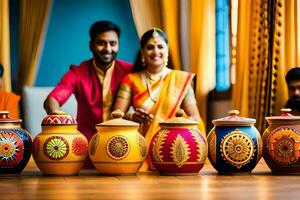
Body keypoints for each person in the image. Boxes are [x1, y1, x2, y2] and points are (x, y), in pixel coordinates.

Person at [113, 28, 204, 171]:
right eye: (150, 47)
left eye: (160, 47)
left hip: (173, 145)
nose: (156, 52)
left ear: (167, 50)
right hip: (139, 146)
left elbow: (195, 118)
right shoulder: (130, 80)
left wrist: (175, 123)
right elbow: (116, 115)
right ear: (142, 52)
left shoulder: (180, 80)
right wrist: (132, 116)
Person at [44, 21, 133, 141]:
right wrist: (59, 121)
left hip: (122, 142)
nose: (108, 49)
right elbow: (53, 99)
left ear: (118, 45)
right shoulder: (78, 72)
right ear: (91, 45)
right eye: (101, 43)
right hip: (85, 144)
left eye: (113, 43)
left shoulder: (129, 71)